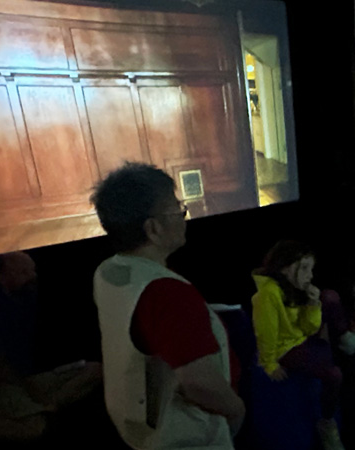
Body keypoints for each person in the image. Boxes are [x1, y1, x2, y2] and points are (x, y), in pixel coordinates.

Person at [91, 162, 244, 449]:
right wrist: (236, 410)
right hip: (189, 438)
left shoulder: (109, 272)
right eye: (177, 209)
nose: (183, 216)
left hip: (141, 432)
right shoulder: (167, 294)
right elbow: (199, 384)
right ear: (153, 229)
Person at [0, 251, 103, 442]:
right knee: (35, 427)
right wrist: (32, 391)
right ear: (2, 278)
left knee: (95, 369)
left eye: (32, 271)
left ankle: (44, 408)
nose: (32, 277)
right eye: (23, 272)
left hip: (26, 379)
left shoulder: (26, 300)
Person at [251, 240, 346, 450]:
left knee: (329, 296)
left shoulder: (295, 288)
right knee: (334, 375)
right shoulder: (268, 295)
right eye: (304, 268)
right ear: (285, 266)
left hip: (302, 337)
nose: (309, 275)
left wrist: (313, 304)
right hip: (286, 349)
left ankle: (345, 340)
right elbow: (265, 334)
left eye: (310, 269)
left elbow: (309, 329)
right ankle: (327, 423)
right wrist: (269, 364)